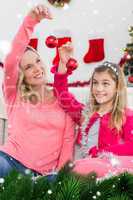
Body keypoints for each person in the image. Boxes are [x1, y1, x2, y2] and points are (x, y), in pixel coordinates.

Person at [0, 4, 75, 178]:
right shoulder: (15, 96)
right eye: (28, 67)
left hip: (41, 176)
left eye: (38, 61)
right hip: (8, 161)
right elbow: (11, 61)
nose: (37, 68)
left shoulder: (64, 99)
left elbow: (67, 142)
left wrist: (61, 179)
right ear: (21, 75)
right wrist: (31, 21)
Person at [54, 43, 133, 177]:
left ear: (117, 87)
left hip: (106, 172)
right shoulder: (85, 114)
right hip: (84, 170)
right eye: (95, 83)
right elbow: (61, 94)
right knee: (70, 171)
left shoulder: (125, 116)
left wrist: (102, 152)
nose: (99, 88)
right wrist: (62, 63)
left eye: (105, 83)